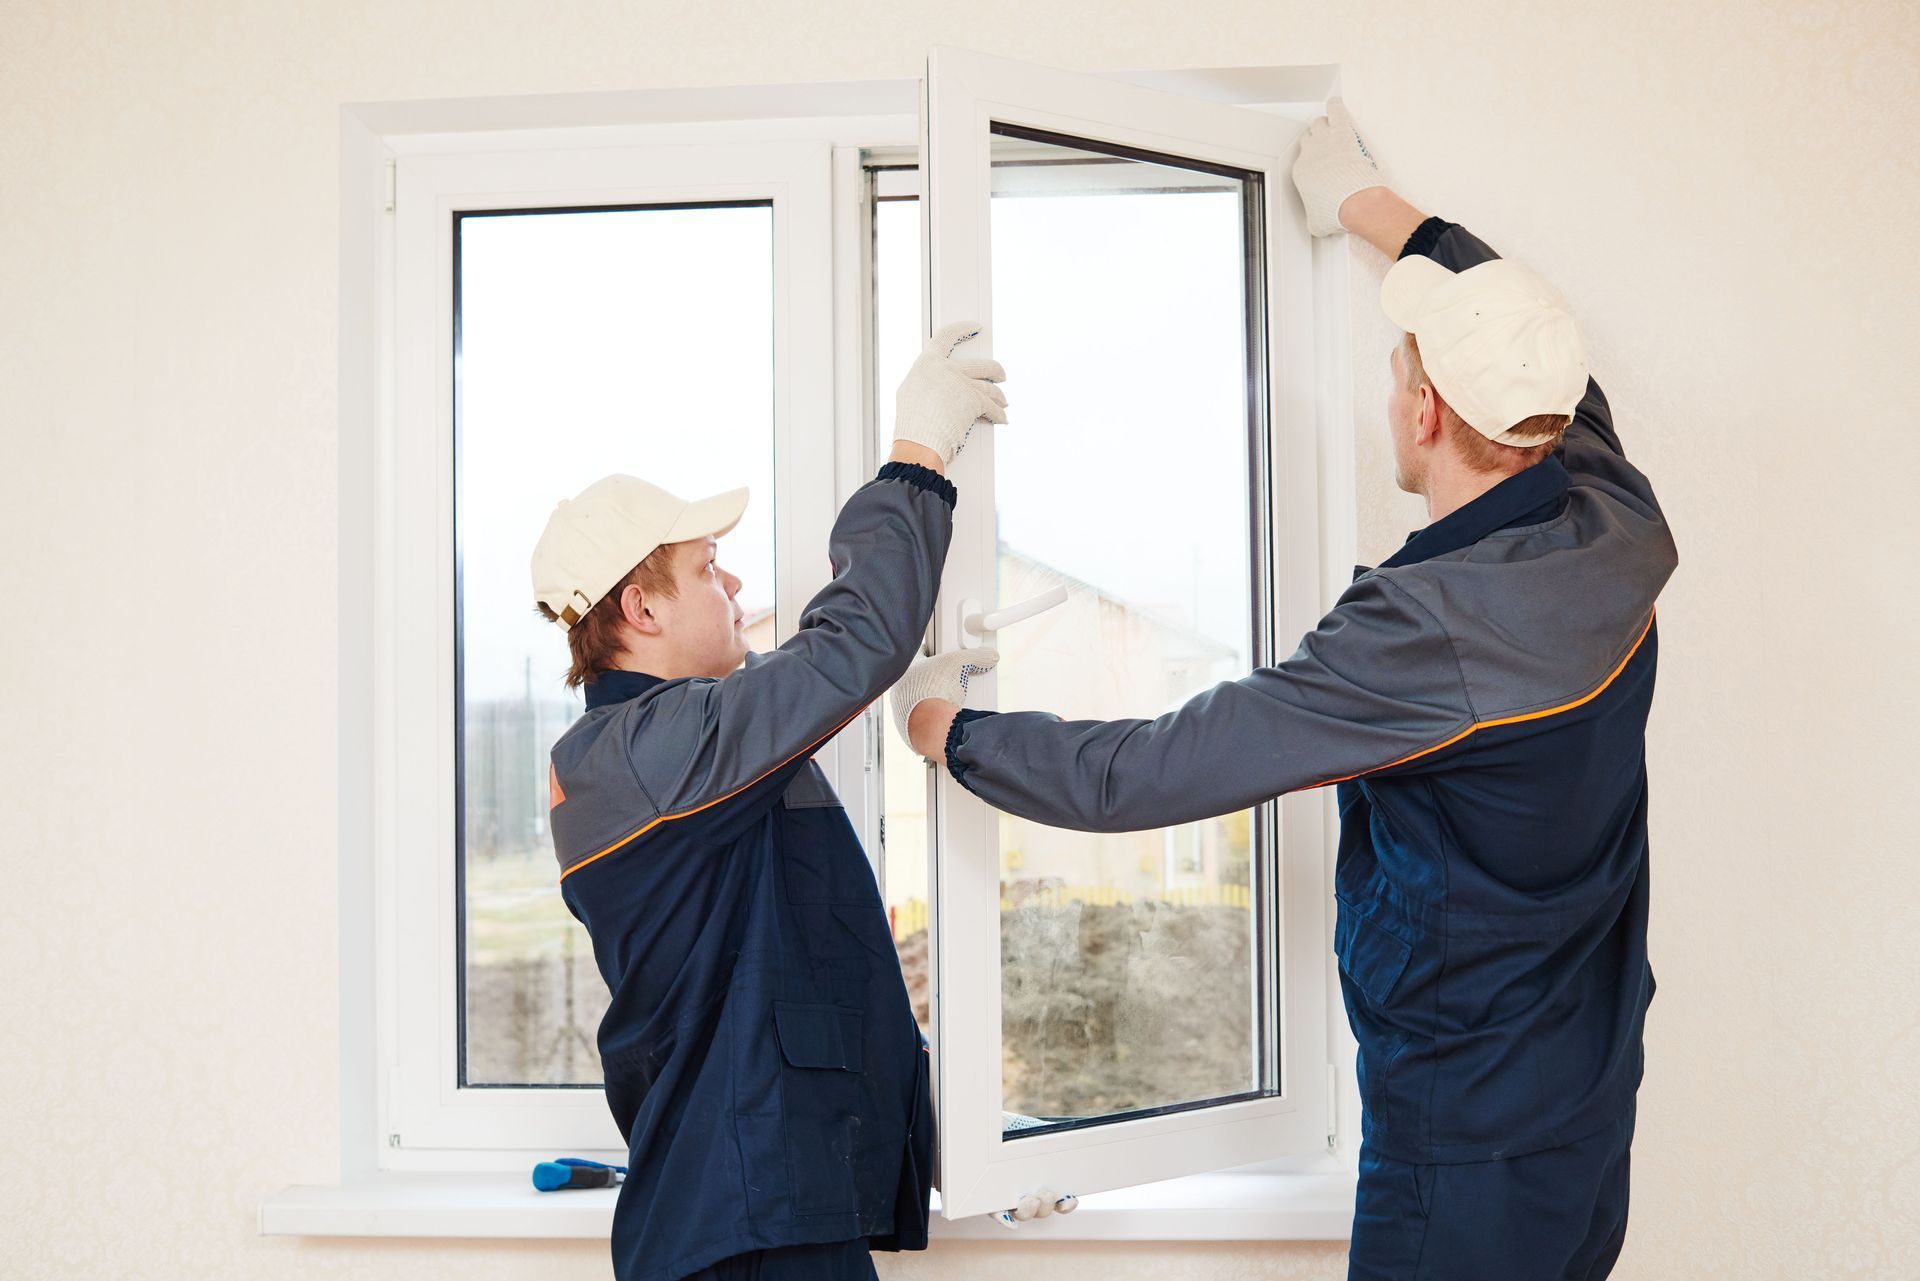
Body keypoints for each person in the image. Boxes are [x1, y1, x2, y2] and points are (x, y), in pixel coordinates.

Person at [890, 102, 1677, 1280]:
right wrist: (1372, 207)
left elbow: (1150, 769)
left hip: (1460, 1146)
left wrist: (951, 731)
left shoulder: (1426, 635)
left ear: (1420, 411)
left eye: (1403, 367)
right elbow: (1533, 334)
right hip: (1586, 1098)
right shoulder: (1615, 516)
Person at [532, 323, 1007, 1281]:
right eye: (709, 566)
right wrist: (917, 457)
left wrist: (914, 706)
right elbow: (843, 648)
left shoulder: (656, 754)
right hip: (744, 1230)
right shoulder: (647, 751)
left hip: (750, 1212)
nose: (737, 585)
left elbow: (790, 917)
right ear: (643, 609)